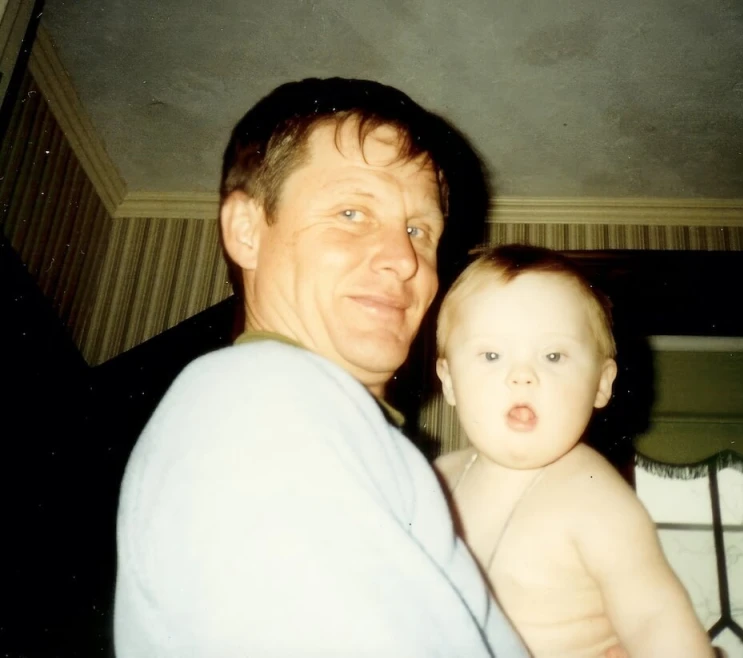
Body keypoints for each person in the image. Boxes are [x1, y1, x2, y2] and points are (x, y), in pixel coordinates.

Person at [112, 78, 529, 657]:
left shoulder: (337, 427)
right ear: (247, 231)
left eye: (418, 230)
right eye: (353, 212)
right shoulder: (262, 397)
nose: (404, 259)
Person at [434, 244, 716, 658]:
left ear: (601, 383)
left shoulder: (596, 498)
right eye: (491, 354)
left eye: (553, 355)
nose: (522, 376)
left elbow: (654, 620)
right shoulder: (435, 479)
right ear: (450, 380)